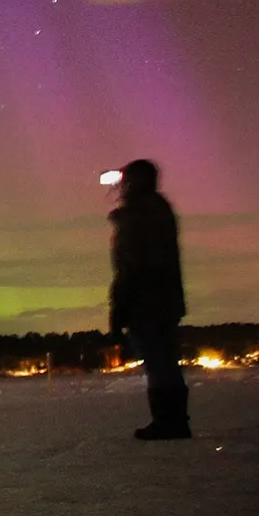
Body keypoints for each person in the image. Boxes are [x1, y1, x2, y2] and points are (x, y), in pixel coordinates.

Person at [107, 159, 191, 440]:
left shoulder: (141, 214)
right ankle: (173, 420)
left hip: (148, 302)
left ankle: (169, 423)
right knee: (164, 361)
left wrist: (121, 305)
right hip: (161, 300)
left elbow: (134, 264)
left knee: (159, 362)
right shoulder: (155, 209)